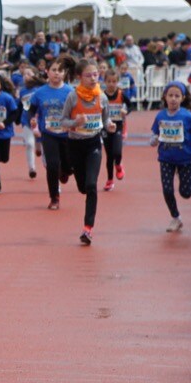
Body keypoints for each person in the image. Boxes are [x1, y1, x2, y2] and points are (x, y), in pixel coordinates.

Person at [60, 58, 116, 245]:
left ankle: (88, 229)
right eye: (88, 75)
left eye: (96, 75)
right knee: (83, 187)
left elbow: (106, 120)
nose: (93, 78)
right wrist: (75, 123)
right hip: (75, 145)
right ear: (79, 77)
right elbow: (63, 121)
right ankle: (66, 170)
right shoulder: (72, 97)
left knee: (91, 186)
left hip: (93, 144)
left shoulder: (102, 97)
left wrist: (110, 126)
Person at [150, 81, 191, 232]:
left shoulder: (187, 116)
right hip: (166, 158)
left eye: (177, 96)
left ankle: (183, 178)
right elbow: (155, 133)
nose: (173, 99)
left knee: (186, 193)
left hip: (185, 159)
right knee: (167, 190)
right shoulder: (160, 115)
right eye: (170, 95)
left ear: (182, 98)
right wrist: (154, 140)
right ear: (165, 97)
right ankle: (175, 217)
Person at [27, 56, 76, 210]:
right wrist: (32, 120)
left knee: (69, 168)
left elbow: (77, 110)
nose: (57, 73)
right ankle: (54, 197)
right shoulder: (40, 93)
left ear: (65, 73)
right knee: (52, 165)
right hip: (48, 134)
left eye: (60, 71)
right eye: (53, 70)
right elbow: (31, 111)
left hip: (67, 134)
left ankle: (65, 171)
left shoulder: (71, 92)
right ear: (47, 72)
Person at [101, 68, 133, 192]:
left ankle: (119, 165)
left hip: (118, 126)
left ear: (117, 82)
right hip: (105, 127)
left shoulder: (121, 94)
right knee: (109, 155)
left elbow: (131, 105)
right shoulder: (101, 96)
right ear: (105, 82)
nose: (111, 84)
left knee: (117, 151)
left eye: (114, 81)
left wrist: (126, 111)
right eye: (109, 81)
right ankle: (110, 180)